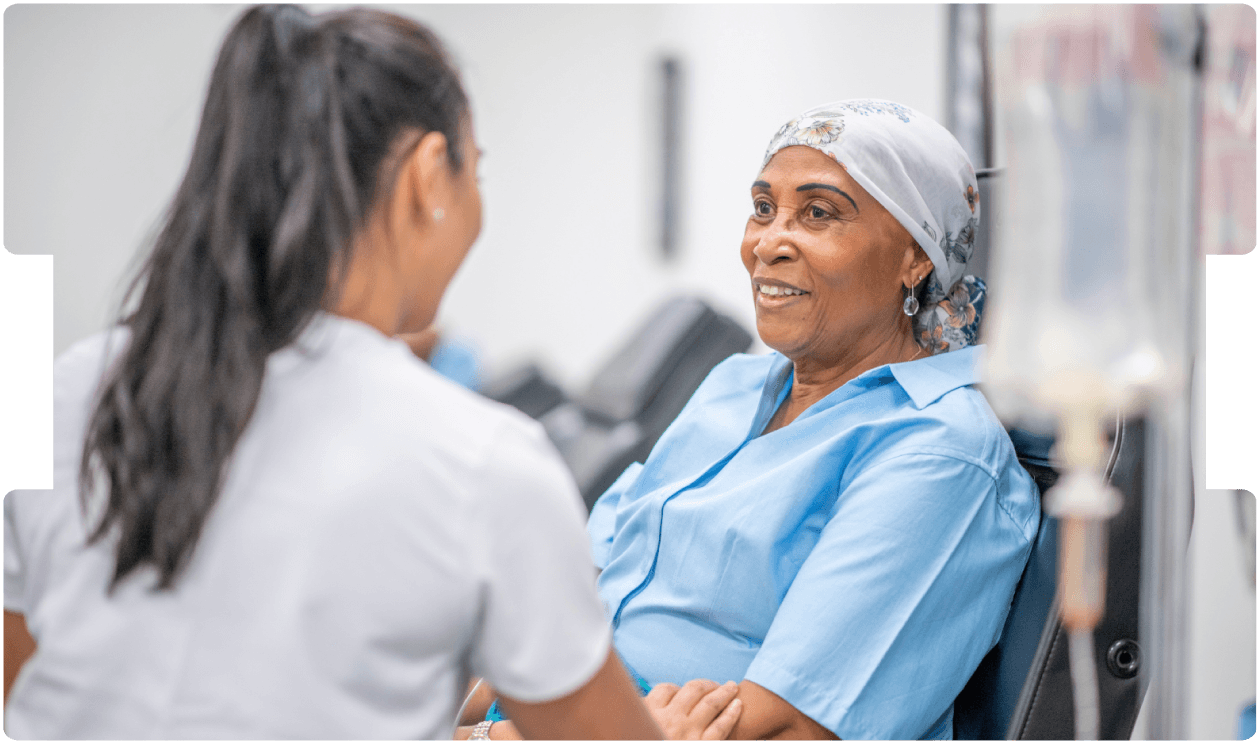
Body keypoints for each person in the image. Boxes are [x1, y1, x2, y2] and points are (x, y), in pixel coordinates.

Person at [0, 6, 741, 740]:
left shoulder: (52, 389)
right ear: (427, 179)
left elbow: (38, 680)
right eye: (473, 172)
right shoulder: (486, 461)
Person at [580, 100, 1039, 741]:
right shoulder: (735, 384)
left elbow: (790, 723)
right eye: (763, 208)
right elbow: (585, 580)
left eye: (818, 213)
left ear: (917, 258)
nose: (767, 244)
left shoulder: (938, 453)